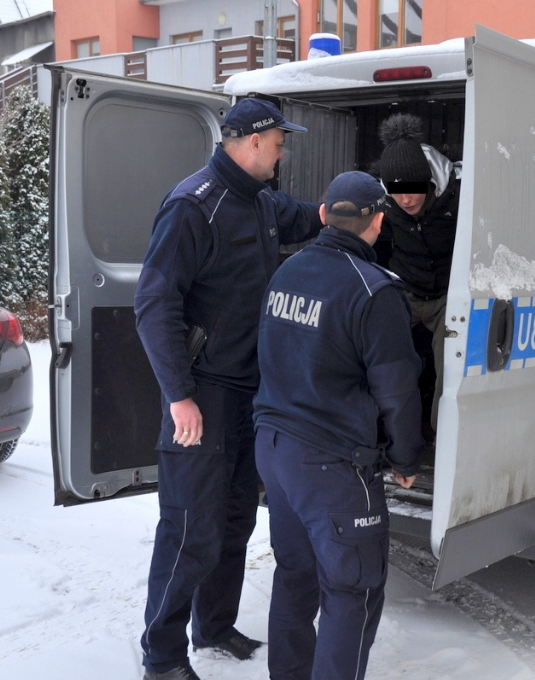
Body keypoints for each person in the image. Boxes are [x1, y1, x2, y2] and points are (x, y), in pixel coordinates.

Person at [134, 97, 324, 680]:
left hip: (249, 393)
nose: (283, 150)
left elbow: (303, 216)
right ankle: (162, 658)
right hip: (203, 393)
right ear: (250, 141)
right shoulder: (194, 207)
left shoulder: (260, 200)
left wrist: (345, 208)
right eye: (279, 141)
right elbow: (154, 303)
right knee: (190, 527)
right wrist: (179, 394)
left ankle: (213, 626)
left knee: (238, 518)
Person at [253, 171, 423, 680]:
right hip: (332, 466)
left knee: (296, 575)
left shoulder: (287, 271)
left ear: (324, 214)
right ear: (377, 222)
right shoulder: (375, 291)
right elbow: (397, 390)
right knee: (355, 589)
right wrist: (406, 458)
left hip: (276, 450)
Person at [375, 112, 462, 436]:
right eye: (397, 190)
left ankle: (444, 448)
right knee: (382, 362)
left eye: (414, 189)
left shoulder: (460, 197)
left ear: (430, 182)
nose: (406, 198)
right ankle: (381, 440)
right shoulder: (382, 203)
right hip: (405, 291)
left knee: (450, 371)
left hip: (447, 299)